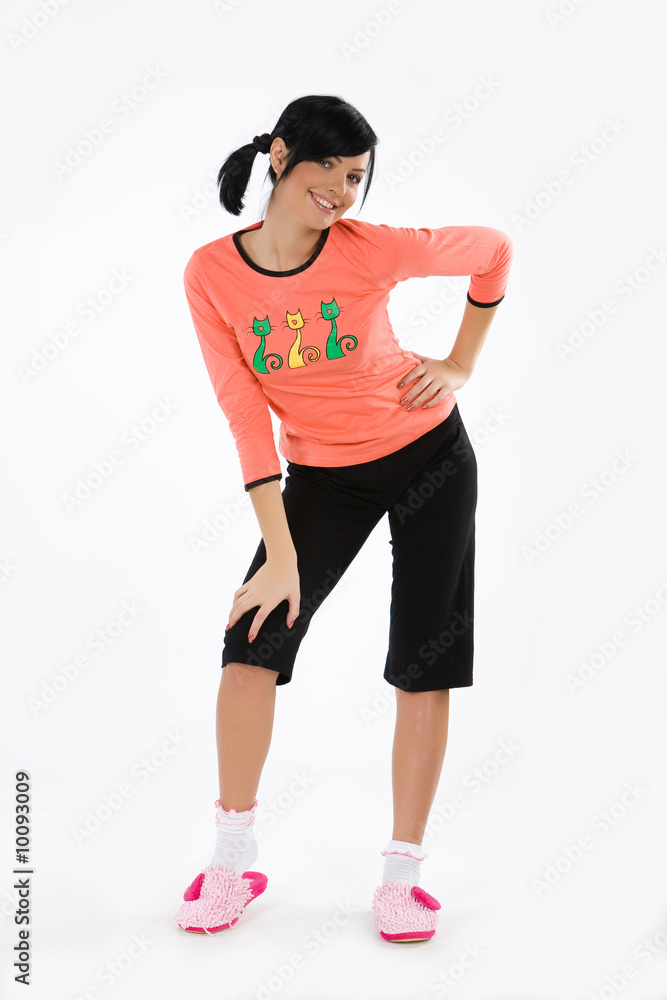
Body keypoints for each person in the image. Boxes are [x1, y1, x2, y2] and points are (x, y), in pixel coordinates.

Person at [174, 94, 514, 942]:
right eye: (325, 165)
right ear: (280, 156)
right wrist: (280, 556)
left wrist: (460, 364)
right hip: (324, 479)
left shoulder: (371, 248)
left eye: (355, 175)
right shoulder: (211, 273)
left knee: (423, 663)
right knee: (250, 647)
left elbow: (492, 251)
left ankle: (401, 878)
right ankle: (232, 861)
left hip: (429, 456)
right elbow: (244, 416)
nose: (339, 187)